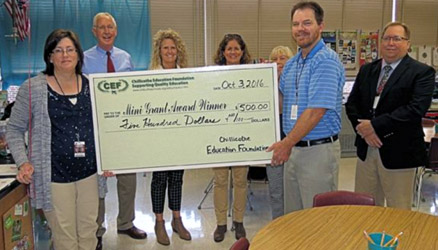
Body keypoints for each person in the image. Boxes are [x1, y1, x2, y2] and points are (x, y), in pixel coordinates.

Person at [7, 29, 101, 250]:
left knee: (89, 234)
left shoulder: (92, 86)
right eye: (58, 50)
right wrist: (23, 162)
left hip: (89, 174)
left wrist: (109, 160)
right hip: (55, 177)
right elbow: (14, 130)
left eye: (70, 49)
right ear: (49, 56)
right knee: (65, 239)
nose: (64, 55)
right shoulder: (33, 88)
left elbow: (104, 129)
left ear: (79, 54)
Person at [345, 22, 435, 209]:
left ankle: (396, 240)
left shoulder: (422, 72)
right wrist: (365, 131)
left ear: (408, 43)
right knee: (364, 207)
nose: (390, 43)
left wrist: (375, 126)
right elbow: (353, 104)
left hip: (400, 153)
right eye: (386, 38)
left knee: (398, 211)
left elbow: (414, 109)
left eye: (397, 38)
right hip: (367, 149)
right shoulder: (367, 70)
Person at [267, 1, 345, 213]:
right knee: (294, 216)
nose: (300, 29)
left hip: (317, 151)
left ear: (320, 26)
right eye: (295, 24)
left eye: (307, 23)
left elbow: (315, 112)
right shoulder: (293, 63)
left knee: (317, 220)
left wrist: (286, 144)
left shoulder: (326, 61)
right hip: (294, 150)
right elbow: (283, 101)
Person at [82, 12, 146, 249]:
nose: (107, 31)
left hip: (123, 129)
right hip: (95, 129)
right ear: (94, 32)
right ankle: (96, 229)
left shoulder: (125, 58)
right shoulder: (83, 59)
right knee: (96, 183)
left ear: (116, 31)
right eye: (102, 27)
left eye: (110, 27)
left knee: (128, 180)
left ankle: (126, 222)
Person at [148, 28, 191, 246]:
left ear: (178, 51)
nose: (170, 51)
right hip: (158, 136)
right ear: (159, 50)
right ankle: (158, 221)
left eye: (173, 48)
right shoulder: (150, 76)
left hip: (179, 136)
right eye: (165, 47)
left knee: (177, 178)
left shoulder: (186, 74)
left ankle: (176, 219)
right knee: (159, 179)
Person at [212, 33, 251, 242]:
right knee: (220, 181)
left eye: (237, 48)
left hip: (242, 137)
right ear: (223, 52)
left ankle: (239, 221)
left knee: (240, 181)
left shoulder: (252, 76)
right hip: (219, 136)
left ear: (242, 52)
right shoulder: (214, 76)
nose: (233, 52)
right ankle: (220, 224)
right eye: (229, 49)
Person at [266, 45, 293, 219]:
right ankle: (277, 222)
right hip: (273, 134)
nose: (278, 62)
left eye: (283, 58)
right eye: (275, 59)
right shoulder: (265, 83)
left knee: (292, 189)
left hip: (292, 134)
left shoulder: (295, 82)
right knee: (276, 188)